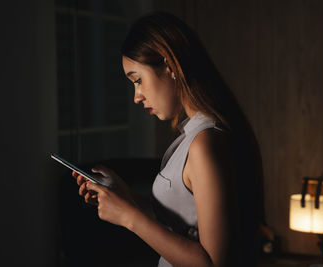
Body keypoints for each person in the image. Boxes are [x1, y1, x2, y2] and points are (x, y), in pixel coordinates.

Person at [73, 11, 264, 267]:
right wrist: (125, 197)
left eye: (138, 80)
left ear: (169, 66)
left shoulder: (205, 143)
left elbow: (213, 263)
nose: (136, 96)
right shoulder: (193, 133)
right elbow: (181, 226)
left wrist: (129, 217)